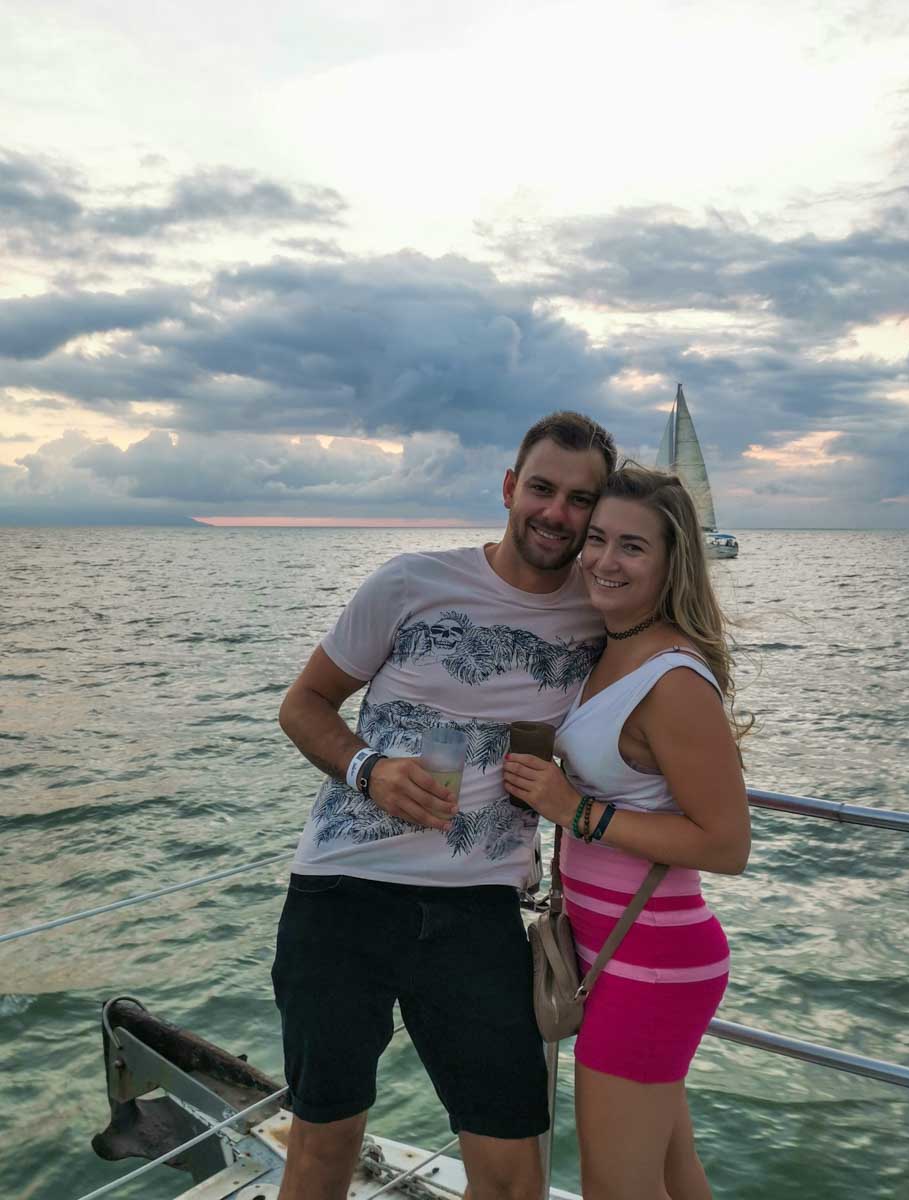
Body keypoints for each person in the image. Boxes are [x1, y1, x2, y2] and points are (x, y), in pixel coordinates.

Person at [272, 411, 616, 1200]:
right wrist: (369, 770)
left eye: (579, 500)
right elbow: (304, 704)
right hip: (342, 895)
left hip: (477, 911)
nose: (556, 513)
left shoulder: (599, 617)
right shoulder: (411, 581)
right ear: (508, 488)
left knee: (509, 1174)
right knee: (323, 1150)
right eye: (541, 488)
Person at [503, 464, 751, 1200]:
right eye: (599, 539)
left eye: (632, 547)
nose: (605, 560)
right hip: (611, 953)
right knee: (673, 1175)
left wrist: (576, 811)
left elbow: (727, 843)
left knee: (617, 1187)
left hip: (652, 961)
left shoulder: (673, 678)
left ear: (672, 561)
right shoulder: (610, 646)